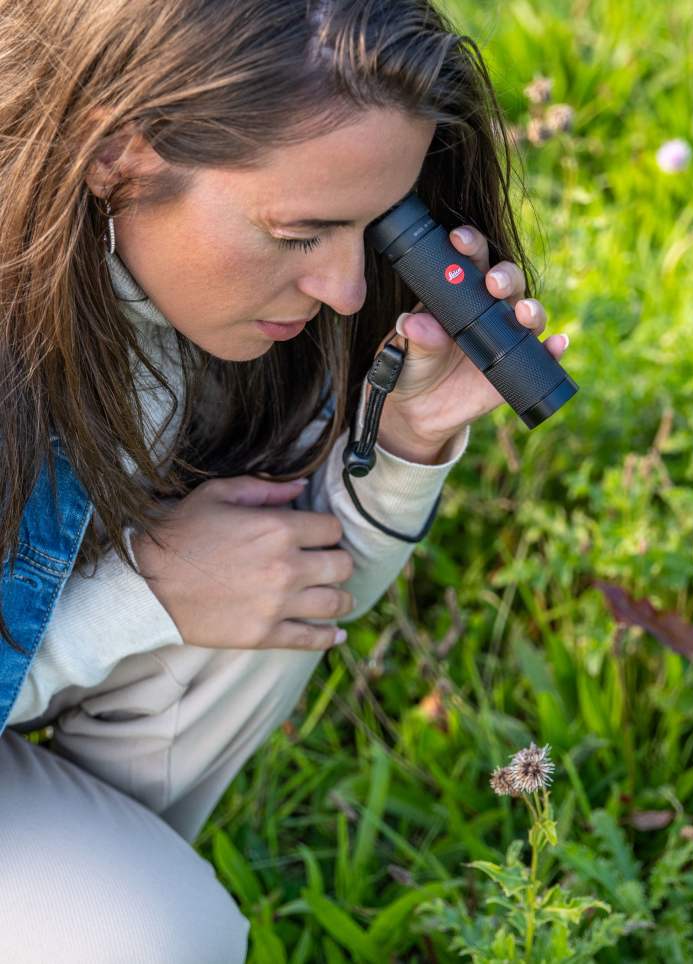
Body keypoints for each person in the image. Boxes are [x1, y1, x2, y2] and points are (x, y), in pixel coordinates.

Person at [0, 1, 570, 960]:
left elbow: (297, 593)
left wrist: (408, 438)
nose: (346, 290)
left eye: (377, 230)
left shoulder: (233, 312)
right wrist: (140, 599)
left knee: (153, 935)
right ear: (116, 154)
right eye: (302, 232)